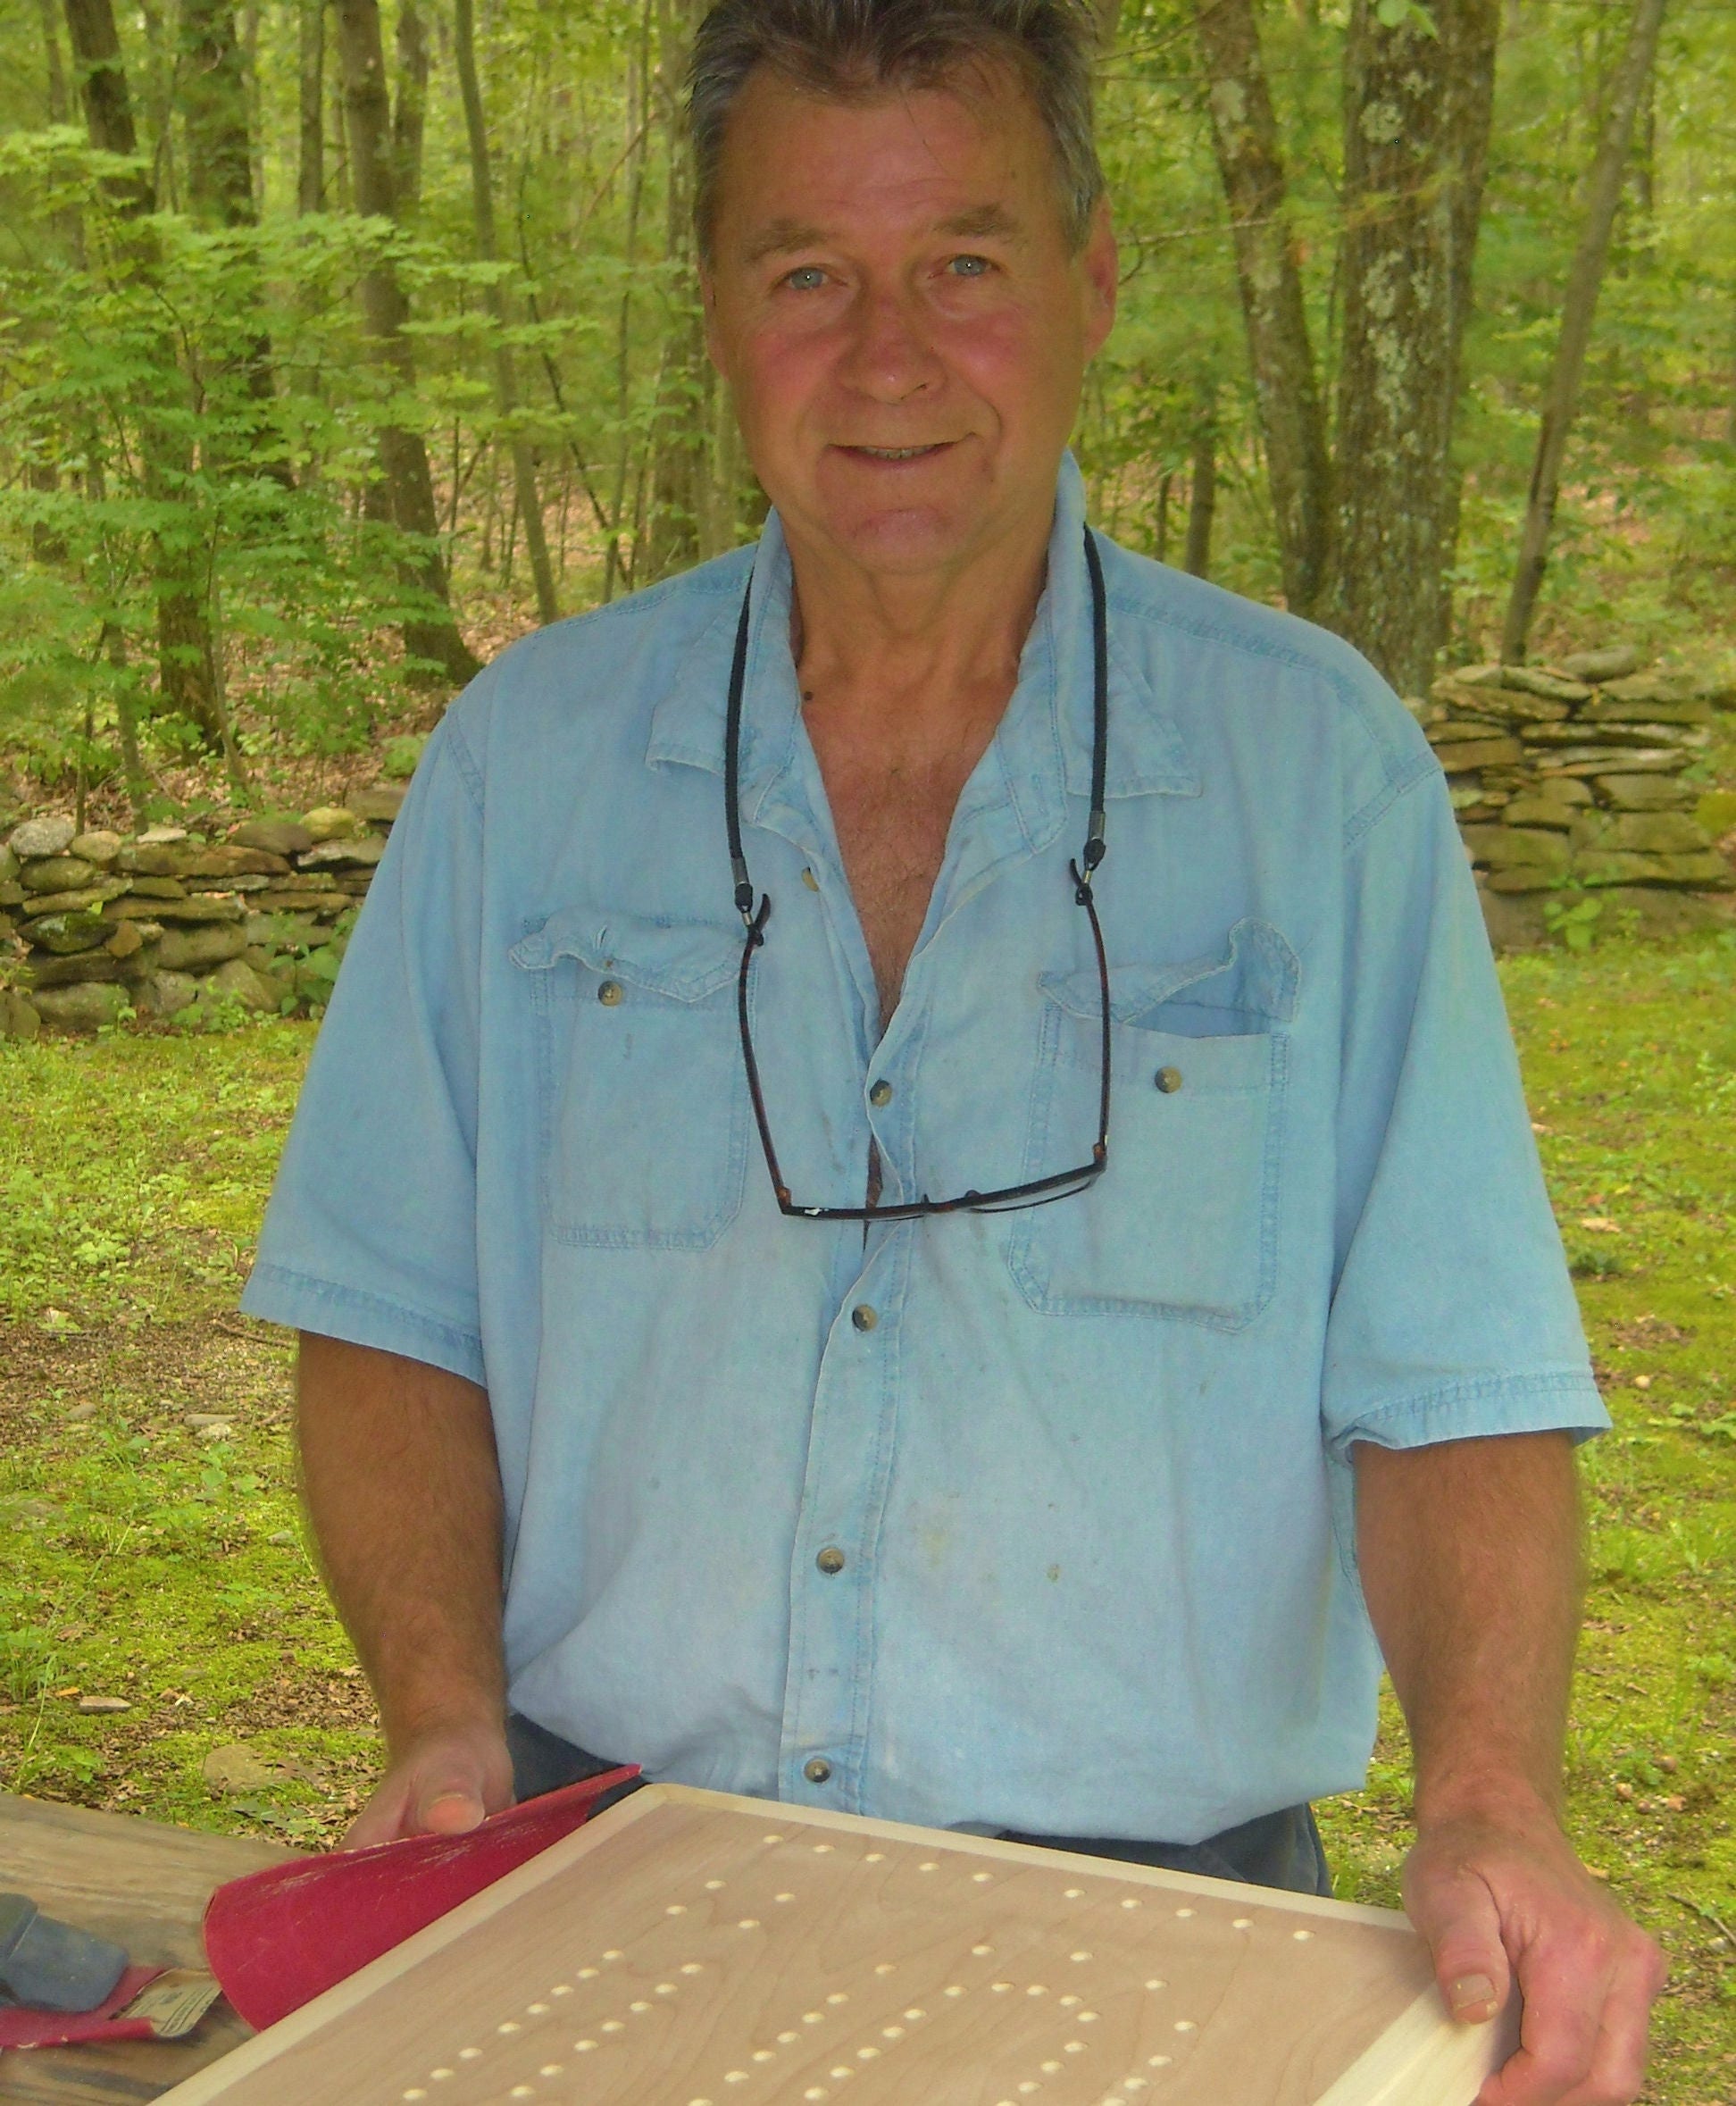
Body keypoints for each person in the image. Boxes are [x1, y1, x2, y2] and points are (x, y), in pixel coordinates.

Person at [242, 3, 1664, 2098]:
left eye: (966, 266)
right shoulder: (521, 768)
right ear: (717, 315)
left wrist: (1490, 1797)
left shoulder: (1315, 772)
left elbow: (1453, 1383)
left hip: (1173, 1934)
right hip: (594, 1896)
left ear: (1091, 288)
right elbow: (387, 1323)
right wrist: (444, 1711)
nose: (888, 353)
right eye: (807, 271)